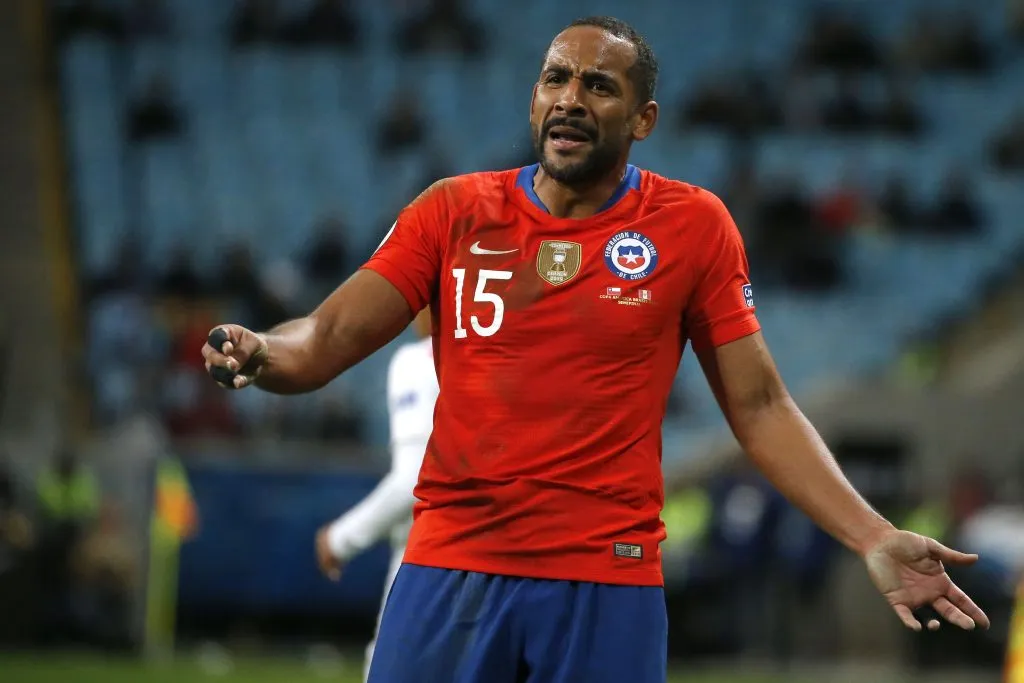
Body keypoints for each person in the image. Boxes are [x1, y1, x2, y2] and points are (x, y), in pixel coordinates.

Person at [203, 16, 990, 683]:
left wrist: (871, 533)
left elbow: (759, 407)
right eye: (556, 78)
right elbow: (327, 337)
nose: (571, 99)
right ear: (534, 98)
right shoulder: (452, 211)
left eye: (599, 86)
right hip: (451, 566)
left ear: (643, 119)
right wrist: (262, 350)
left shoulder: (693, 226)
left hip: (604, 578)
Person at [314, 308, 437, 681]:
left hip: (432, 552)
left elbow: (414, 478)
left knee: (389, 669)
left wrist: (342, 537)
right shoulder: (506, 359)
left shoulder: (419, 360)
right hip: (511, 551)